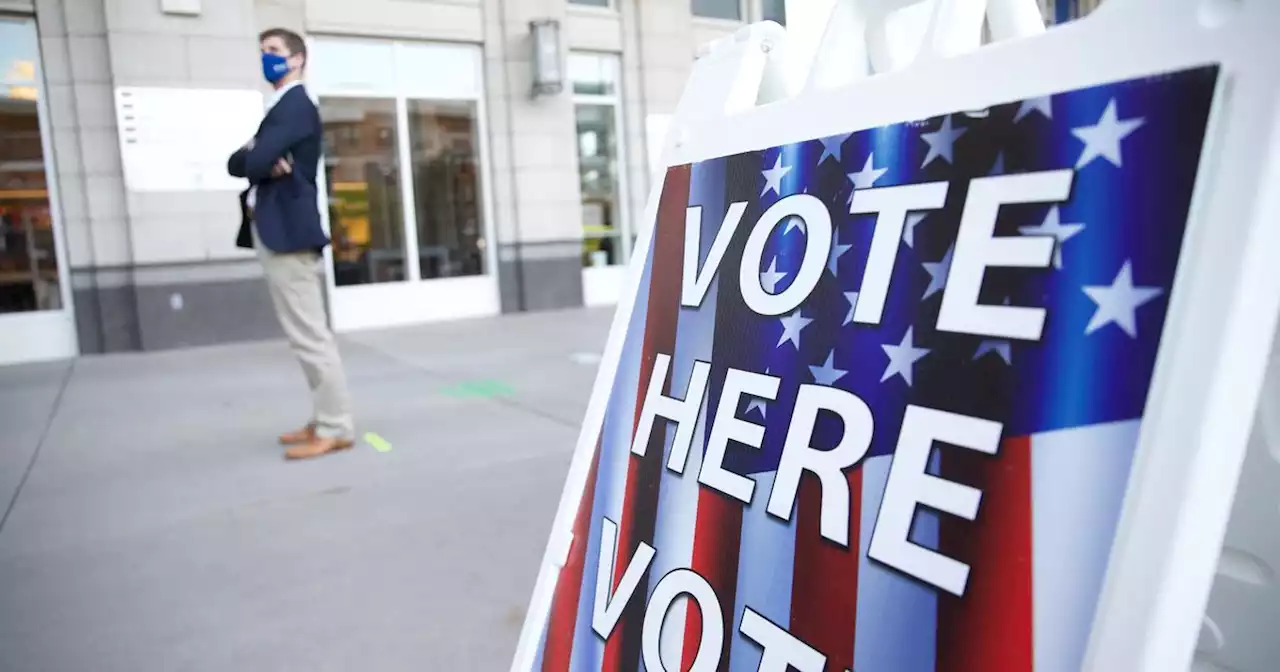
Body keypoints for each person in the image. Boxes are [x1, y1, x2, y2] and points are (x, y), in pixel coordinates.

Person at [227, 27, 355, 460]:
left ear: (297, 59)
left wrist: (257, 155)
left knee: (310, 336)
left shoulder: (296, 106)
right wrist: (257, 157)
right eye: (262, 50)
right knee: (303, 336)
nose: (267, 57)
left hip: (289, 234)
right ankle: (323, 418)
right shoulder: (279, 108)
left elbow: (255, 160)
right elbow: (236, 163)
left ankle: (336, 426)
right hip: (273, 231)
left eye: (275, 51)